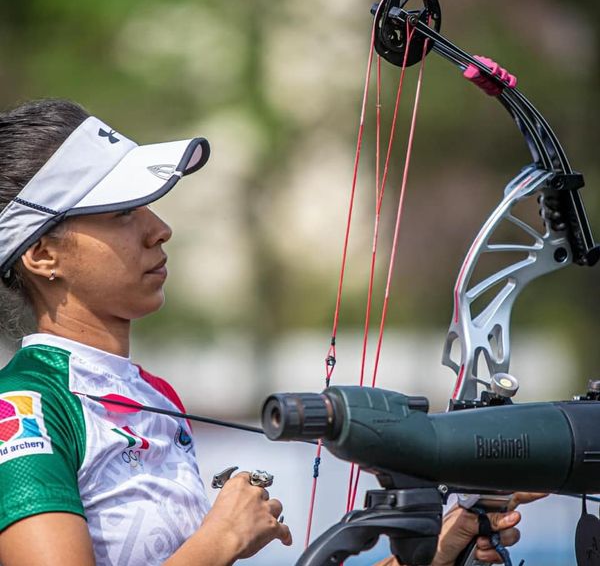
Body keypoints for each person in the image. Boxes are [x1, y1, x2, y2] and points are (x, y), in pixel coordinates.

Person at [0, 99, 525, 566]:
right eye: (121, 212)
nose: (159, 228)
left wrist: (441, 544)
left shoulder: (153, 395)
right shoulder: (24, 409)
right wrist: (220, 539)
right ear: (42, 255)